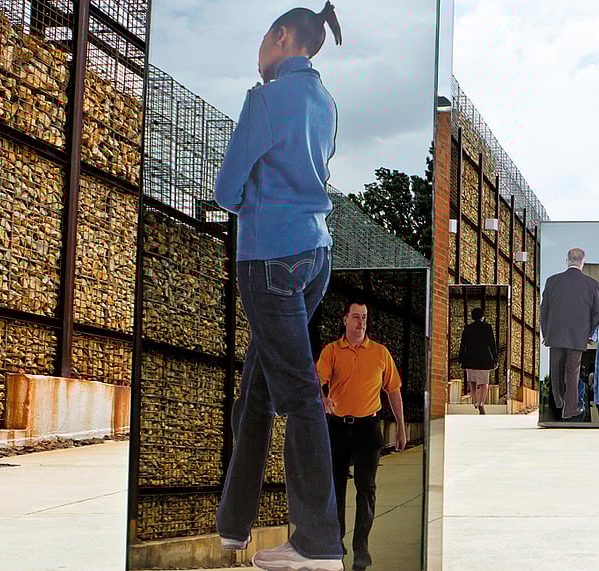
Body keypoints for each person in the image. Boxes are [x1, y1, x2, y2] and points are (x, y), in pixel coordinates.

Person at [212, 4, 345, 570]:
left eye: (265, 42)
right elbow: (320, 168)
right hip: (316, 255)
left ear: (282, 37)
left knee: (296, 395)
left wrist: (253, 202)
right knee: (258, 392)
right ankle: (234, 526)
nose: (260, 54)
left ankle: (317, 544)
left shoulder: (263, 100)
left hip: (268, 258)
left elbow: (224, 188)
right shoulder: (327, 104)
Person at [315, 300, 408, 571]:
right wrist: (322, 398)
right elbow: (316, 379)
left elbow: (393, 391)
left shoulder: (380, 353)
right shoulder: (332, 351)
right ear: (345, 320)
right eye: (356, 317)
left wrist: (401, 427)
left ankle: (361, 549)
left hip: (368, 428)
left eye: (364, 317)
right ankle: (336, 543)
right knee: (336, 489)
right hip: (337, 427)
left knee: (366, 490)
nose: (361, 322)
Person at [540, 248, 599, 420]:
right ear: (583, 262)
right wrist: (588, 332)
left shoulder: (552, 281)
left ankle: (559, 402)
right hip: (578, 336)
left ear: (567, 260)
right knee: (572, 372)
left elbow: (544, 310)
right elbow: (598, 312)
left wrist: (546, 332)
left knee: (556, 369)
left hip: (555, 333)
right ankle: (570, 409)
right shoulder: (592, 284)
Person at [458, 307, 498, 415]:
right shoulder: (487, 327)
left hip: (470, 359)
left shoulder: (468, 328)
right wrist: (495, 358)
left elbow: (463, 344)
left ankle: (475, 401)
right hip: (484, 359)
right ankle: (481, 403)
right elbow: (492, 344)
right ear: (482, 316)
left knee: (473, 381)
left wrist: (460, 358)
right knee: (484, 382)